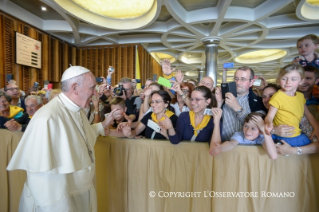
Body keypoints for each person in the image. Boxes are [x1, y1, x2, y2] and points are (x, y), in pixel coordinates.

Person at [7, 66, 117, 211]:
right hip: (60, 202)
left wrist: (102, 126)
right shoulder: (47, 118)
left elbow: (79, 136)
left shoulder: (76, 109)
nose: (95, 93)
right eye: (92, 88)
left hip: (80, 195)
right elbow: (43, 179)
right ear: (75, 87)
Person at [265, 64, 319, 149]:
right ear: (279, 80)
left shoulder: (300, 96)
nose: (288, 82)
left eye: (293, 79)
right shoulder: (277, 96)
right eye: (284, 78)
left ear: (301, 81)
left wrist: (316, 127)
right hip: (284, 135)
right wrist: (269, 123)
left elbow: (308, 114)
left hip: (297, 134)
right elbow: (269, 116)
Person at [216, 66, 266, 142]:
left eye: (243, 79)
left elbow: (257, 126)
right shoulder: (223, 97)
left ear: (251, 82)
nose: (238, 83)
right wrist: (219, 103)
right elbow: (214, 122)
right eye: (236, 79)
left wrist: (237, 108)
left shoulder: (259, 102)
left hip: (245, 149)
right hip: (222, 146)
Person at [210, 112, 277, 159]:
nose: (247, 131)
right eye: (246, 126)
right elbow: (231, 144)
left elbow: (273, 156)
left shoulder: (261, 138)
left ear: (261, 132)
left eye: (253, 128)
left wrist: (265, 131)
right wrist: (221, 148)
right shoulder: (240, 135)